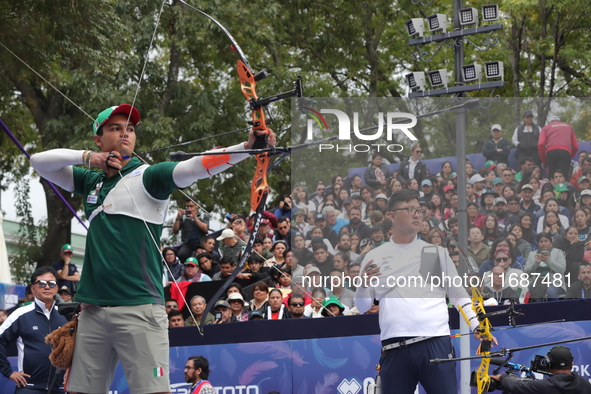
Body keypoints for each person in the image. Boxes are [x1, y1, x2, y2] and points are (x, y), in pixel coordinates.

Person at [29, 104, 275, 394]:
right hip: (93, 310)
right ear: (98, 139)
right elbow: (39, 161)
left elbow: (194, 167)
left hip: (140, 308)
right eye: (115, 128)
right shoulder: (90, 181)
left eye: (130, 129)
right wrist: (89, 159)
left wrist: (246, 147)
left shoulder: (149, 178)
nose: (125, 134)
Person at [354, 189, 488, 394]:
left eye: (419, 209)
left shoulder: (434, 252)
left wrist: (476, 324)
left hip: (435, 342)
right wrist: (362, 286)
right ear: (391, 215)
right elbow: (363, 306)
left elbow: (458, 294)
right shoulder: (375, 256)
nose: (417, 214)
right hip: (394, 347)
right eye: (409, 209)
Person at [0, 267, 68, 393]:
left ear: (57, 288)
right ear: (33, 288)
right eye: (41, 283)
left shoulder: (66, 316)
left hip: (60, 389)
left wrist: (71, 372)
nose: (47, 287)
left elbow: (79, 347)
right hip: (29, 388)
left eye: (51, 283)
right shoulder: (20, 314)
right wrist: (8, 371)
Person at [490, 346, 591, 393]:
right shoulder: (585, 384)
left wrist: (502, 377)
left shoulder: (545, 386)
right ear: (572, 364)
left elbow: (516, 386)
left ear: (549, 363)